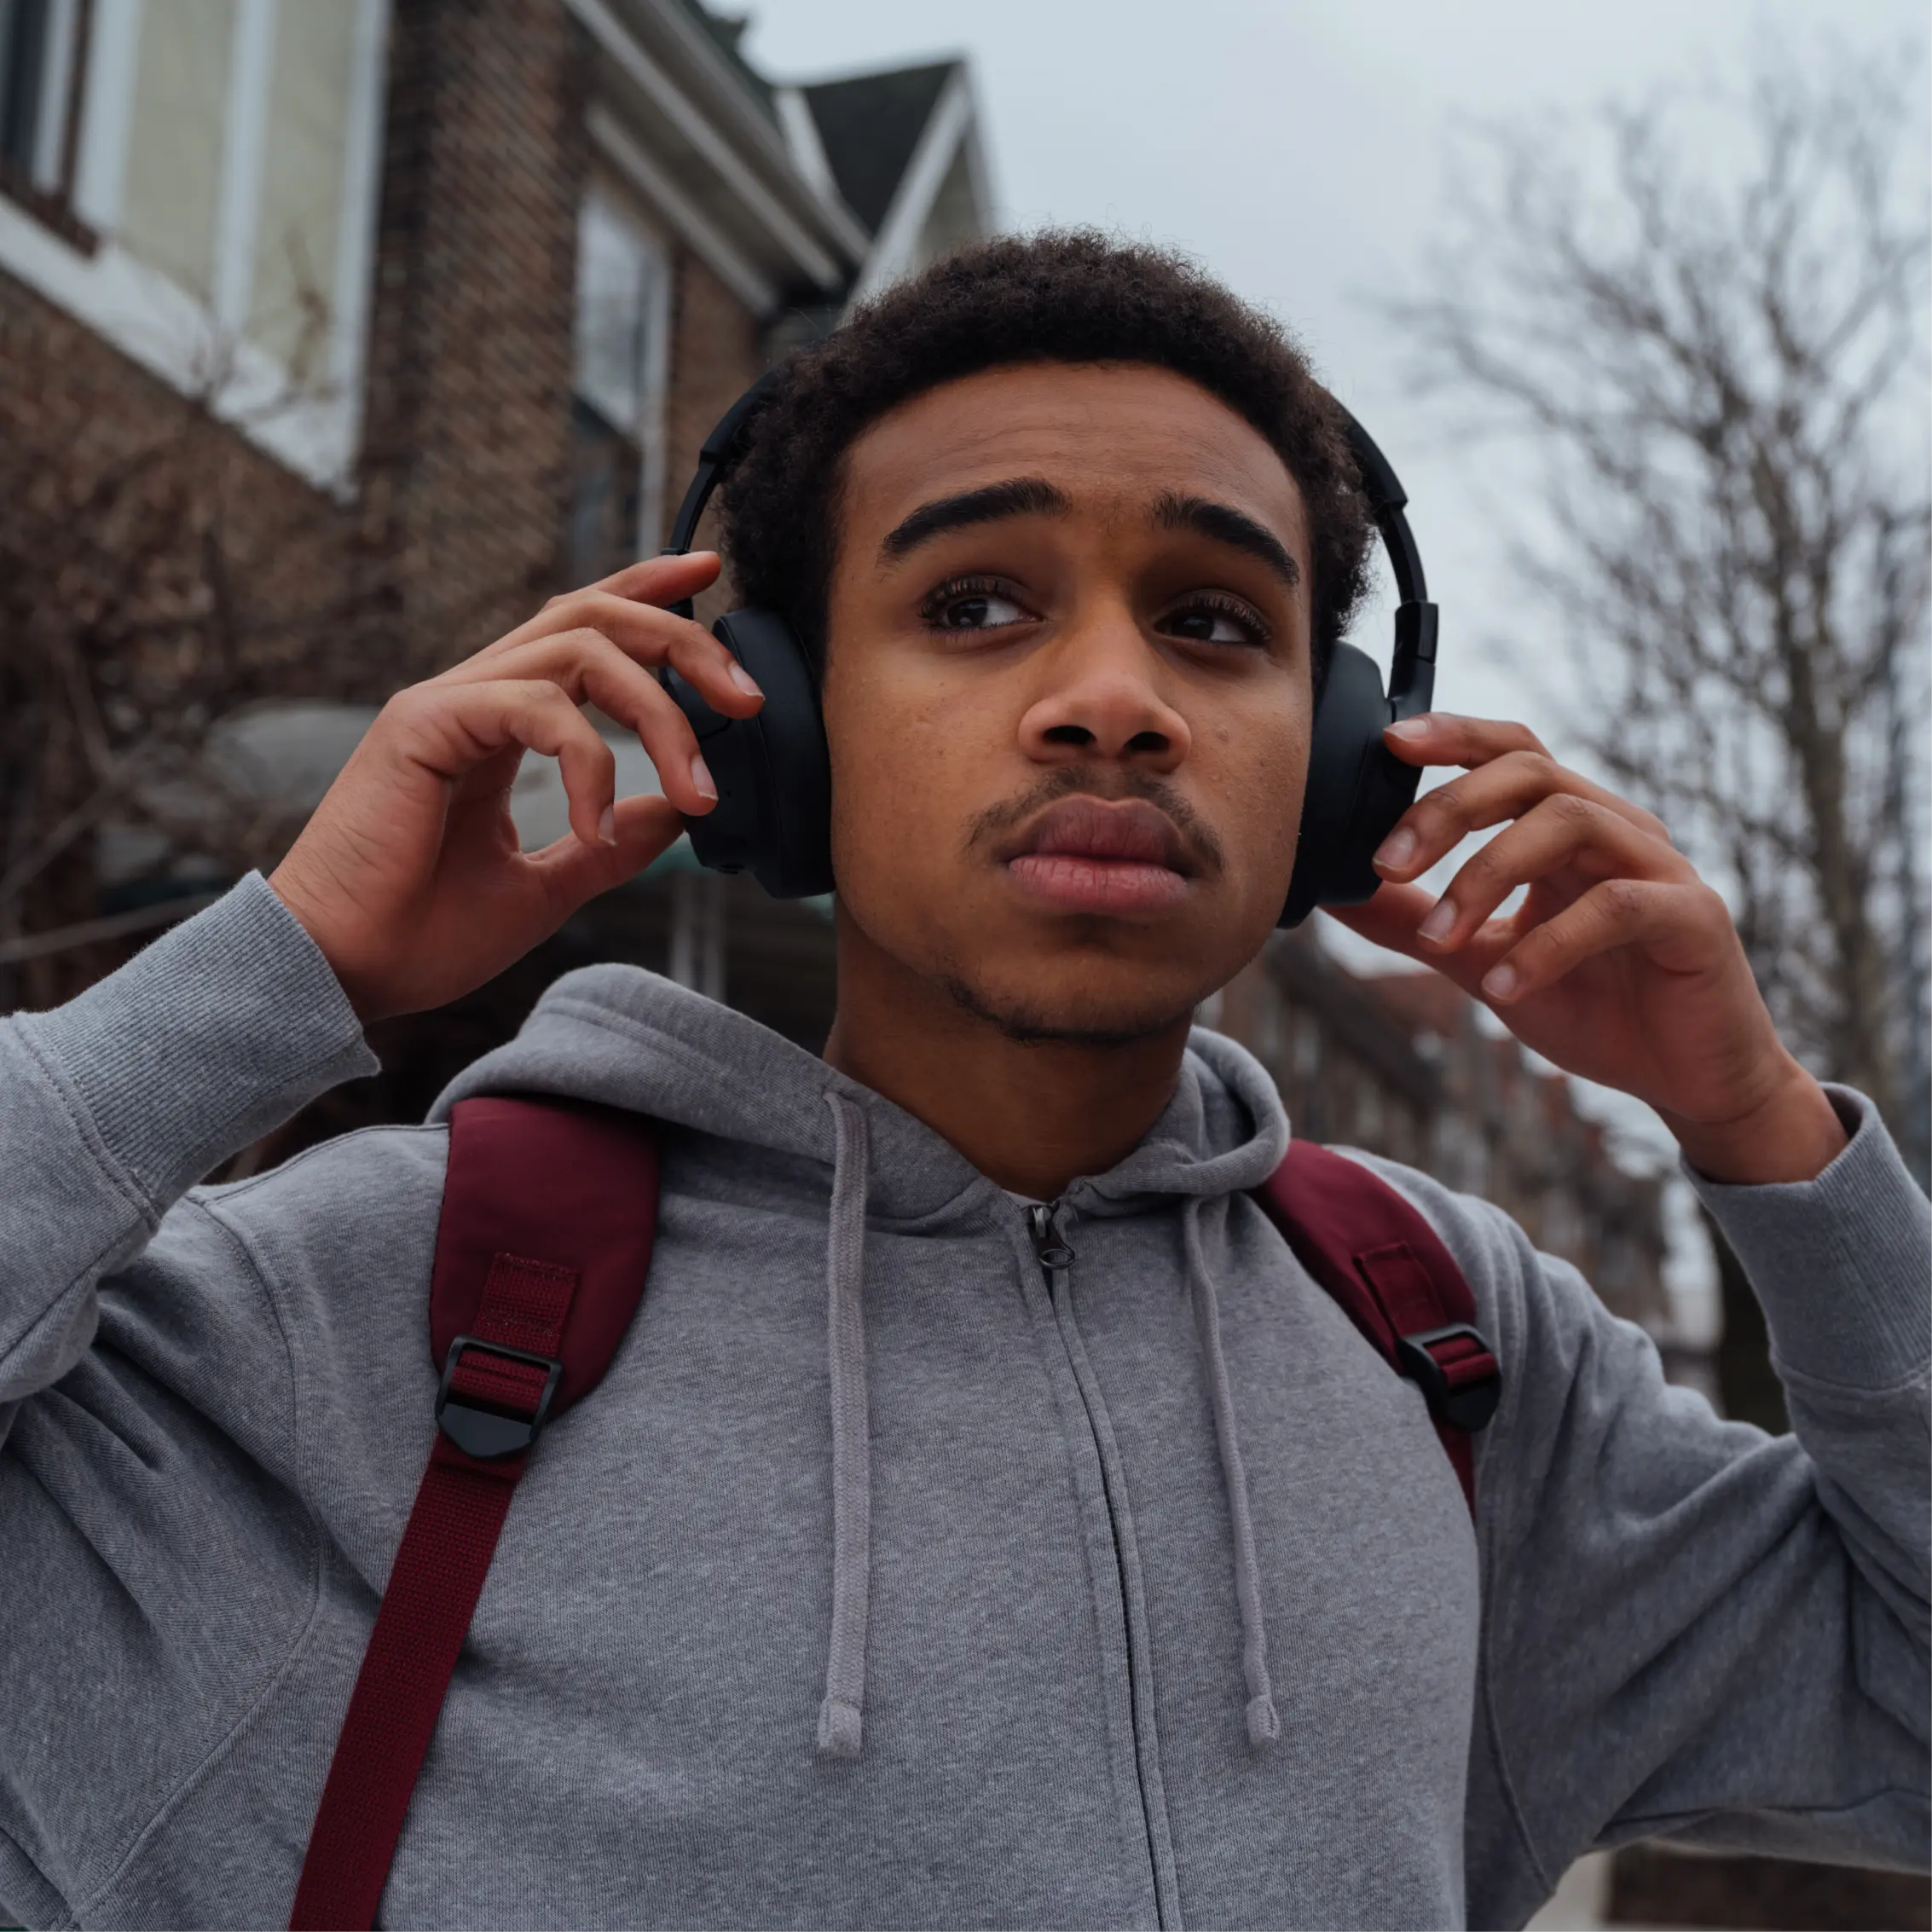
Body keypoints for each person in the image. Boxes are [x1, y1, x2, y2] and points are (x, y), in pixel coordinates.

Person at [3, 231, 1927, 1932]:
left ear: (1342, 771)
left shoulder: (1452, 1354)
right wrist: (286, 966)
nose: (1116, 695)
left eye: (1212, 620)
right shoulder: (360, 1315)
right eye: (974, 602)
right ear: (768, 721)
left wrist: (1762, 1132)